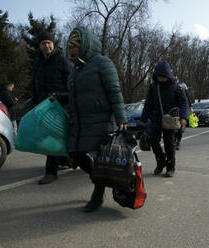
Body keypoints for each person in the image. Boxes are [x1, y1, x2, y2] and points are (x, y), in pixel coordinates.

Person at [67, 28, 127, 212]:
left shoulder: (103, 63)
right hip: (81, 122)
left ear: (85, 45)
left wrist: (121, 118)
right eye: (70, 46)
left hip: (101, 121)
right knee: (75, 154)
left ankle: (97, 195)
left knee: (101, 160)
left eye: (75, 46)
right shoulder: (76, 69)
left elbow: (114, 92)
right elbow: (75, 94)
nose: (71, 50)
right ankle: (105, 180)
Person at [32, 31, 73, 184]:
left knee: (52, 136)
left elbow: (72, 86)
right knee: (51, 137)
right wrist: (34, 107)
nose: (46, 45)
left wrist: (59, 96)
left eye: (49, 42)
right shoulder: (37, 64)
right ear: (39, 46)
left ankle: (51, 172)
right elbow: (34, 87)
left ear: (53, 44)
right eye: (43, 43)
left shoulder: (63, 61)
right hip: (43, 107)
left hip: (61, 106)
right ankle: (66, 159)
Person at [141, 62, 189, 177]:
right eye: (159, 76)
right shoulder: (153, 87)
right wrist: (144, 118)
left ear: (168, 75)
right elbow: (148, 103)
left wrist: (184, 117)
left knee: (169, 144)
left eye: (163, 76)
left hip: (170, 119)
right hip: (156, 118)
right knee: (153, 141)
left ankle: (170, 167)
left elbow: (184, 103)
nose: (161, 78)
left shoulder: (177, 87)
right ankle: (161, 161)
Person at [174, 76, 192, 150]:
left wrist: (190, 107)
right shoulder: (167, 86)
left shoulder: (182, 86)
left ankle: (178, 141)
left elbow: (187, 98)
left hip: (180, 109)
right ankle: (174, 141)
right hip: (172, 110)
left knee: (179, 127)